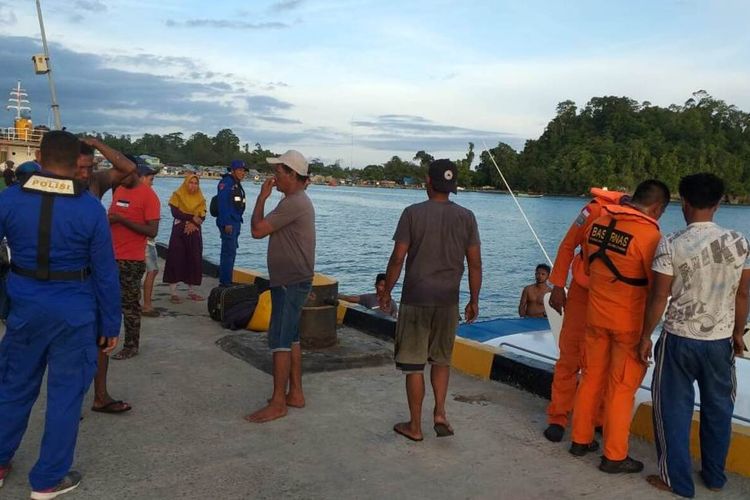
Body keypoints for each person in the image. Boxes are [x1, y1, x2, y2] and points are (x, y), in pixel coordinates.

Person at [0, 131, 121, 498]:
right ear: (77, 165)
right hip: (75, 312)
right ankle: (47, 480)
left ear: (39, 155)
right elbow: (105, 272)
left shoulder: (9, 200)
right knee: (66, 397)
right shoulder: (90, 210)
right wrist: (110, 324)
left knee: (13, 387)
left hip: (23, 307)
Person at [639, 173, 750, 497]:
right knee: (719, 411)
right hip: (719, 342)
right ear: (718, 204)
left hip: (678, 339)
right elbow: (743, 294)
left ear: (684, 203)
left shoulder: (671, 242)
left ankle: (677, 482)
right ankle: (715, 477)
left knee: (673, 410)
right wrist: (738, 332)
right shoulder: (739, 241)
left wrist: (646, 335)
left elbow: (659, 296)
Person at [569, 179, 670, 474]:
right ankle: (614, 456)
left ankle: (580, 439)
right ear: (657, 207)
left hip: (595, 318)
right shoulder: (649, 235)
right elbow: (657, 290)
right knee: (621, 389)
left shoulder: (598, 222)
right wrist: (647, 334)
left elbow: (587, 267)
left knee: (590, 379)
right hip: (627, 324)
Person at [380, 159, 482, 441]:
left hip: (416, 299)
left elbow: (398, 257)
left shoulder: (412, 213)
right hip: (448, 301)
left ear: (428, 182)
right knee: (441, 360)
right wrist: (473, 299)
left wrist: (387, 290)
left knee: (414, 365)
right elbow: (475, 264)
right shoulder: (467, 217)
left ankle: (414, 426)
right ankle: (439, 412)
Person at [544, 188, 628, 442]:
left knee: (604, 360)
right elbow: (569, 245)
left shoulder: (640, 222)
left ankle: (599, 418)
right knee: (570, 355)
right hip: (583, 291)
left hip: (614, 297)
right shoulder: (591, 211)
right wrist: (558, 285)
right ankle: (558, 416)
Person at [246, 150, 315, 423]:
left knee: (279, 339)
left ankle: (278, 402)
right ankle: (294, 392)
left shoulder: (293, 203)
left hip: (289, 281)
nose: (274, 176)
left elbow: (257, 230)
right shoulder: (295, 201)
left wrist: (262, 197)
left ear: (292, 175)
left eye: (279, 171)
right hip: (295, 278)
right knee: (292, 337)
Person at [76, 138, 136, 413]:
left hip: (95, 272)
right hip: (65, 276)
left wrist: (95, 142)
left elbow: (127, 167)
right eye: (79, 167)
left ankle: (101, 396)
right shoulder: (53, 187)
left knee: (102, 338)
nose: (84, 173)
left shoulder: (95, 183)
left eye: (89, 167)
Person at [108, 158, 161, 360]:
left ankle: (131, 345)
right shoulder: (119, 190)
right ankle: (107, 338)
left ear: (136, 174)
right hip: (110, 254)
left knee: (129, 305)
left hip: (131, 259)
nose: (122, 177)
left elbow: (152, 231)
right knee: (108, 301)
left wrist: (122, 220)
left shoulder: (149, 197)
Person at [163, 173, 206, 303]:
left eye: (196, 183)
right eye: (191, 182)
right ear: (186, 183)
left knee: (194, 259)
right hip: (179, 230)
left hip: (194, 230)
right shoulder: (178, 194)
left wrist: (194, 223)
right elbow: (175, 212)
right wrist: (191, 218)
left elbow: (202, 215)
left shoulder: (200, 198)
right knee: (176, 258)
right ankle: (174, 292)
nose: (193, 185)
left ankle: (191, 291)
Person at [216, 160, 248, 286]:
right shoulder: (226, 183)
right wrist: (226, 222)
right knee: (228, 253)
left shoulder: (235, 183)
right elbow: (222, 203)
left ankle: (227, 279)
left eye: (243, 170)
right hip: (229, 222)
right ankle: (225, 282)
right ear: (233, 171)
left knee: (231, 251)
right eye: (239, 170)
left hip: (235, 221)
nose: (242, 173)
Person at [140, 172, 160, 317]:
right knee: (152, 271)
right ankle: (147, 305)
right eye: (150, 179)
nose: (152, 183)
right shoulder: (147, 195)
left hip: (140, 239)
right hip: (146, 240)